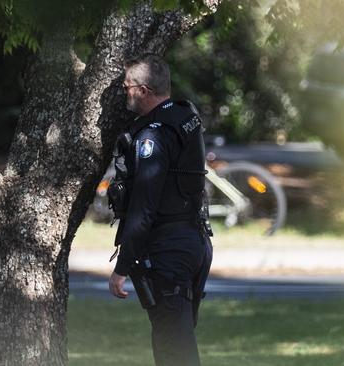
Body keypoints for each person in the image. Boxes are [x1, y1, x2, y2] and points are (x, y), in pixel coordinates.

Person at [107, 53, 213, 366]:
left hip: (169, 249)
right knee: (176, 341)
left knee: (174, 350)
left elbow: (144, 209)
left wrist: (121, 268)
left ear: (143, 90)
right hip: (195, 240)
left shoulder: (152, 136)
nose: (126, 94)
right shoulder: (183, 115)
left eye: (128, 88)